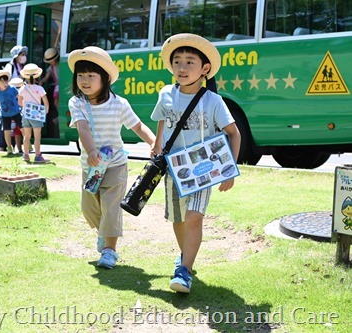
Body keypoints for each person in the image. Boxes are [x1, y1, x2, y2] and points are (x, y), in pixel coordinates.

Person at [150, 33, 241, 293]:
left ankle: (184, 270)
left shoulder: (213, 100)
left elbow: (234, 133)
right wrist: (157, 146)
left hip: (203, 170)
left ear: (205, 69)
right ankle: (185, 256)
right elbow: (161, 120)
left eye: (190, 62)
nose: (182, 67)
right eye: (177, 61)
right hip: (172, 167)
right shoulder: (166, 93)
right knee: (177, 218)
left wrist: (229, 171)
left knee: (194, 218)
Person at [67, 46, 156, 269]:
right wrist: (91, 152)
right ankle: (103, 232)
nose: (84, 81)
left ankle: (110, 250)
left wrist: (155, 143)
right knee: (88, 207)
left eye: (90, 75)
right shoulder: (77, 103)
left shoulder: (119, 103)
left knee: (111, 206)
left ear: (105, 78)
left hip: (116, 164)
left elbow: (138, 126)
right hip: (91, 166)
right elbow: (83, 129)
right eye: (80, 75)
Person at [18, 63, 49, 163]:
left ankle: (26, 155)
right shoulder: (40, 89)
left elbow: (19, 102)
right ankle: (37, 155)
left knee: (26, 136)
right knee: (37, 136)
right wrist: (46, 111)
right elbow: (45, 102)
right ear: (37, 76)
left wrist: (26, 107)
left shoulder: (22, 88)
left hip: (26, 114)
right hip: (37, 115)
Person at [0, 69, 22, 155]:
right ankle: (9, 147)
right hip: (5, 115)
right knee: (6, 130)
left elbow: (19, 96)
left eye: (5, 81)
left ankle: (27, 143)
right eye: (1, 82)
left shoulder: (12, 88)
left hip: (16, 112)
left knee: (22, 128)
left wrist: (22, 105)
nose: (4, 84)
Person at [39, 48, 60, 138]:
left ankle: (60, 116)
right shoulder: (51, 68)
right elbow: (46, 77)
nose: (50, 62)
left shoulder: (61, 64)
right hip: (58, 85)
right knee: (56, 102)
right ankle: (59, 115)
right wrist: (41, 82)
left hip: (63, 83)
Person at [10, 77, 25, 154]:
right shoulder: (23, 93)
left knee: (17, 134)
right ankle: (22, 149)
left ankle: (20, 149)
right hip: (20, 115)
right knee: (21, 133)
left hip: (16, 116)